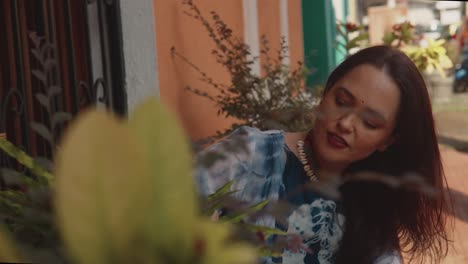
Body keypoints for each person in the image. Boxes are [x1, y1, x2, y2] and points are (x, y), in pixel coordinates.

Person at [194, 45, 451, 264]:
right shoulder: (250, 155)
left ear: (388, 141)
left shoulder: (375, 208)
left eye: (370, 123)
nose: (346, 123)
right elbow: (163, 216)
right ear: (325, 93)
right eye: (341, 101)